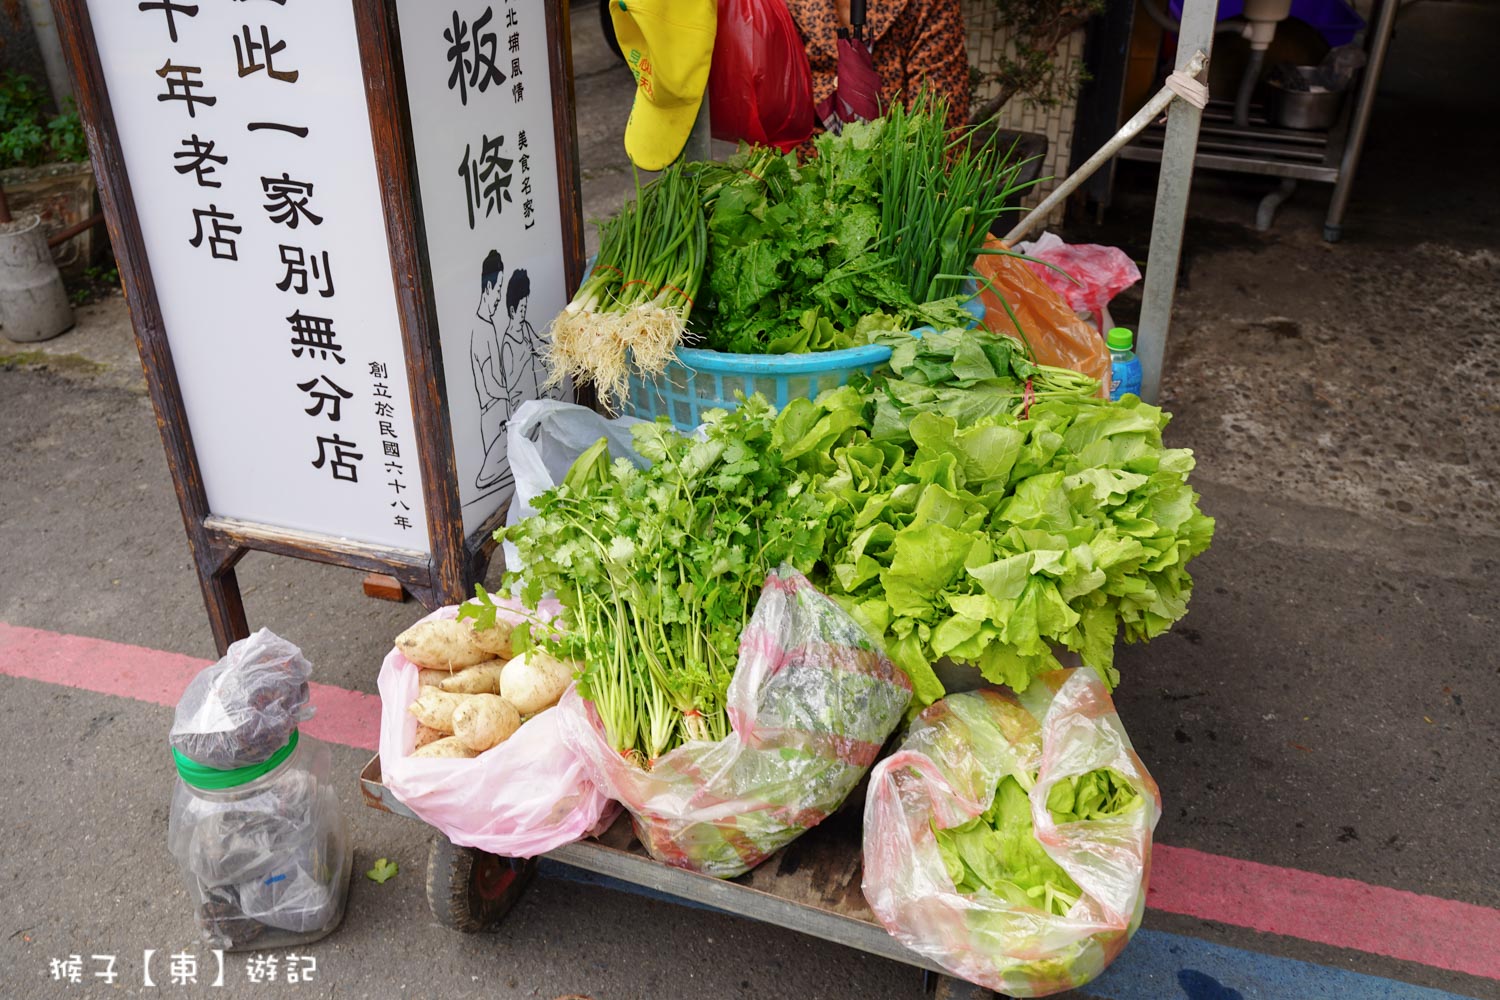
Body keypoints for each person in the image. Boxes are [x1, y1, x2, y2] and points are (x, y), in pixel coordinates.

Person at [785, 0, 970, 133]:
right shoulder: (781, 6)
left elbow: (940, 119)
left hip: (894, 168)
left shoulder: (929, 6)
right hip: (799, 163)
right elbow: (772, 93)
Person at [470, 250, 510, 491]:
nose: (499, 296)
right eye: (498, 289)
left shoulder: (487, 324)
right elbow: (488, 385)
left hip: (498, 414)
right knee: (492, 478)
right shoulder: (482, 330)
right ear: (487, 289)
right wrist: (511, 394)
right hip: (492, 416)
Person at [497, 268, 548, 415]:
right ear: (512, 311)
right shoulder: (507, 343)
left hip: (534, 403)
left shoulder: (525, 327)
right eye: (522, 309)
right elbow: (509, 384)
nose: (524, 312)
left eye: (525, 307)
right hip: (519, 411)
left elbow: (538, 345)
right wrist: (524, 358)